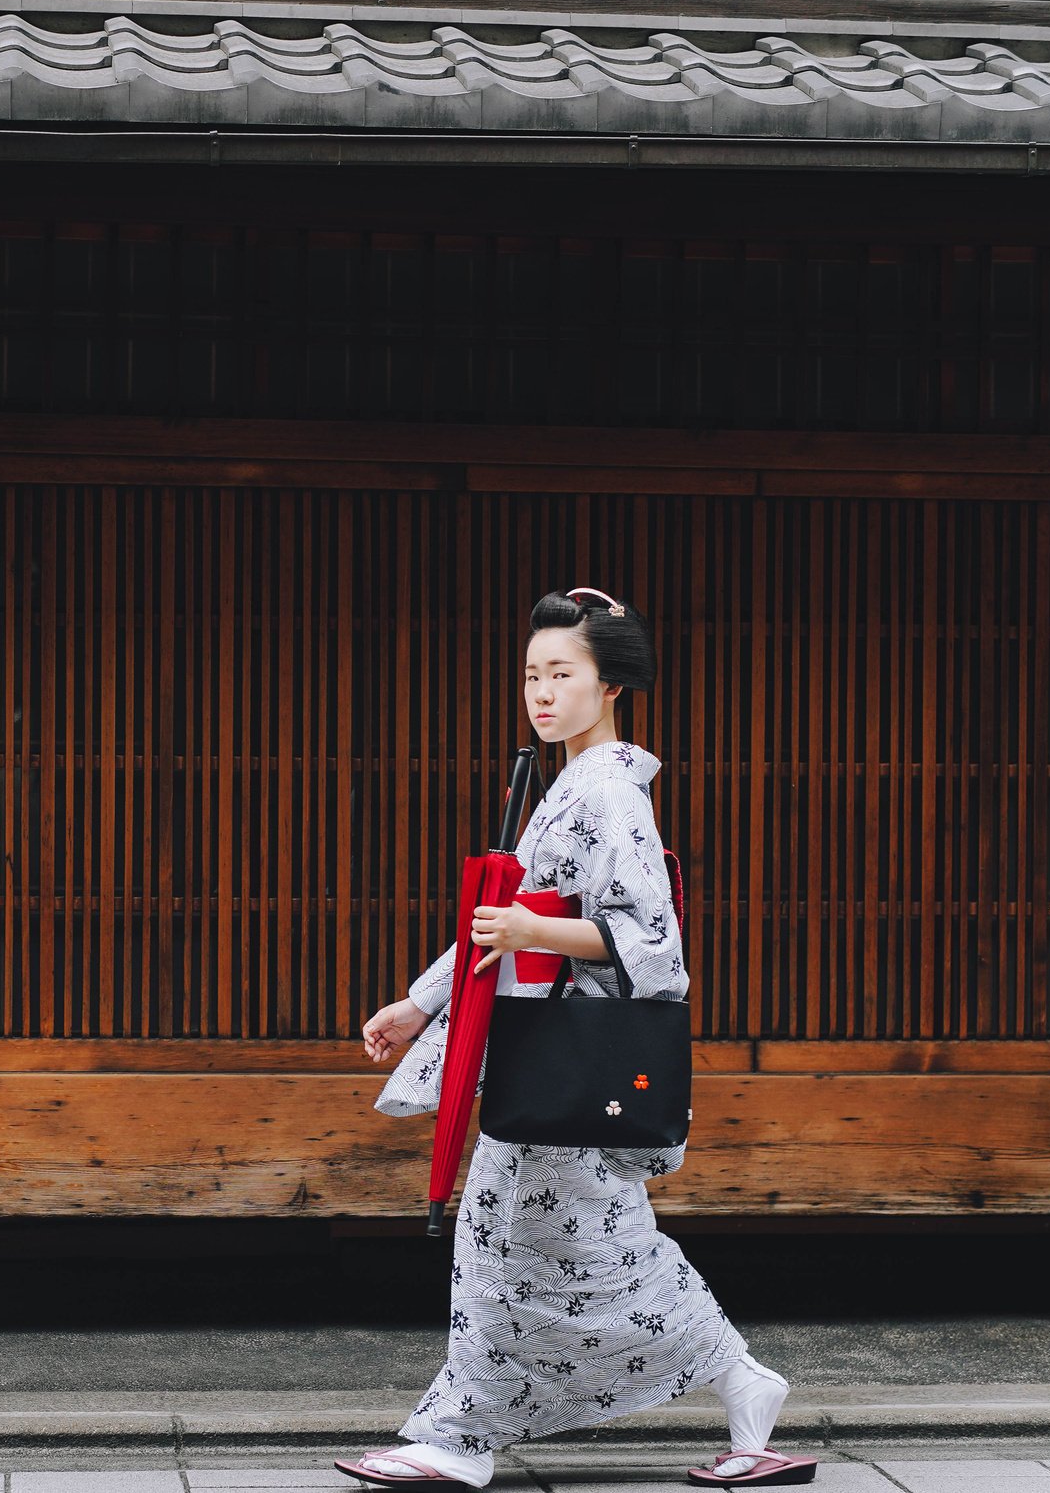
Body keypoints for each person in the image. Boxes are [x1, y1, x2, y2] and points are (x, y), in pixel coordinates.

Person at [333, 587, 819, 1489]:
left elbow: (652, 950)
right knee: (602, 1252)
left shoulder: (606, 795)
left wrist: (528, 935)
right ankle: (745, 1386)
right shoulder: (574, 787)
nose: (542, 693)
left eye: (564, 674)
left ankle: (460, 1441)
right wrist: (420, 1004)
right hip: (555, 1067)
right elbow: (511, 917)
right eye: (532, 675)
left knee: (505, 1247)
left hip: (563, 1066)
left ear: (611, 687)